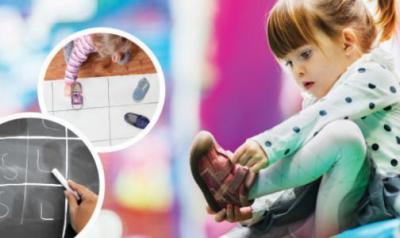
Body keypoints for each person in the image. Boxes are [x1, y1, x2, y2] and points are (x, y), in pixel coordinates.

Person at [190, 0, 399, 237]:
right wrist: (252, 210)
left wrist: (268, 145)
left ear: (347, 42)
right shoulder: (318, 103)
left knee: (344, 137)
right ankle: (239, 191)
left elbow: (321, 116)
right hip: (329, 208)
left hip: (377, 208)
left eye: (305, 54)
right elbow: (299, 175)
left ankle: (243, 185)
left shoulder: (375, 75)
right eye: (289, 62)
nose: (297, 70)